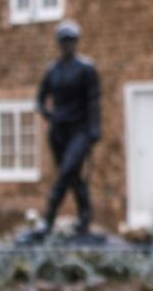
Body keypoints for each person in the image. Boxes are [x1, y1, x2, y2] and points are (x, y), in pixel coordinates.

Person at [28, 20, 102, 241]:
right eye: (64, 41)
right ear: (59, 43)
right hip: (58, 132)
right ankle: (85, 217)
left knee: (66, 172)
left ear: (76, 42)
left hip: (79, 129)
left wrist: (94, 129)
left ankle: (48, 219)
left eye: (71, 41)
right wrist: (49, 115)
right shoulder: (53, 71)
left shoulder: (86, 69)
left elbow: (94, 101)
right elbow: (40, 99)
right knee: (73, 177)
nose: (67, 45)